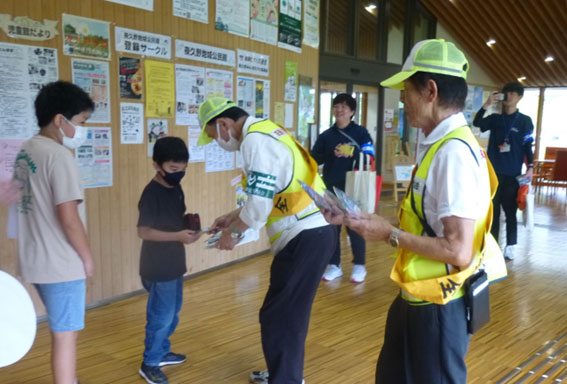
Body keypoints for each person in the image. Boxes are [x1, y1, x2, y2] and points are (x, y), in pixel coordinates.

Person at [320, 39, 506, 383]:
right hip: (417, 299)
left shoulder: (453, 153)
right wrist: (359, 220)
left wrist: (389, 235)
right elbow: (426, 222)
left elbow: (458, 250)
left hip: (439, 307)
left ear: (430, 91)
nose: (402, 99)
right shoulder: (441, 144)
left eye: (406, 90)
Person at [196, 97, 335, 384]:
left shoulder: (254, 141)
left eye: (214, 136)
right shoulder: (267, 130)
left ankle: (286, 379)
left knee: (283, 317)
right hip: (311, 234)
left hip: (304, 237)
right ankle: (283, 373)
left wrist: (232, 235)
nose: (218, 142)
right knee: (282, 314)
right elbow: (272, 193)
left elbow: (259, 206)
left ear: (223, 124)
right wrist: (232, 216)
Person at [13, 81, 95, 384]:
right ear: (60, 120)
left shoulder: (27, 150)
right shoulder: (59, 156)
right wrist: (86, 258)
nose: (83, 129)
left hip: (35, 260)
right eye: (82, 121)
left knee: (61, 330)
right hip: (61, 264)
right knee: (65, 336)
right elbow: (68, 215)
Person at [137, 136, 201, 384]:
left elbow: (176, 217)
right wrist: (177, 235)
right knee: (160, 316)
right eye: (173, 169)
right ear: (157, 165)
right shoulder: (151, 194)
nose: (179, 174)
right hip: (157, 266)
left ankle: (161, 351)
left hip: (175, 262)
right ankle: (150, 362)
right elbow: (143, 231)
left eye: (183, 169)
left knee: (173, 313)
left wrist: (190, 228)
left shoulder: (175, 188)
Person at [311, 93, 375, 283]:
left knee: (355, 226)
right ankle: (334, 265)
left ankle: (359, 265)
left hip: (354, 188)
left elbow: (369, 157)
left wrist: (351, 152)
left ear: (352, 111)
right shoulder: (326, 136)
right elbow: (313, 159)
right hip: (330, 187)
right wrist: (332, 153)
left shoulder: (361, 133)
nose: (339, 110)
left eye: (344, 107)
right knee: (332, 227)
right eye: (336, 106)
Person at [473, 82, 534, 260]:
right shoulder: (495, 119)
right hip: (493, 173)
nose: (508, 96)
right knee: (493, 211)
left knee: (510, 210)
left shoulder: (525, 121)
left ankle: (511, 245)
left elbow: (528, 146)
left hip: (513, 173)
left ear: (520, 97)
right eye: (506, 93)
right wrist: (486, 104)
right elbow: (477, 123)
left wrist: (530, 167)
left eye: (513, 94)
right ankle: (492, 244)